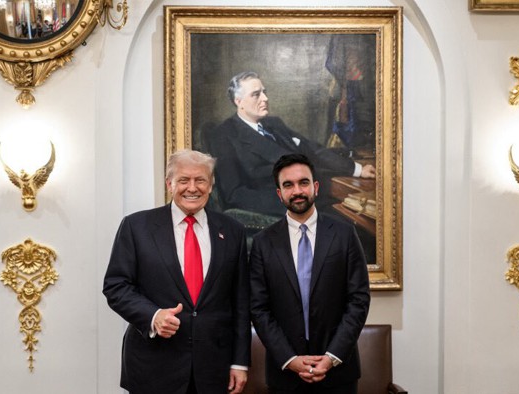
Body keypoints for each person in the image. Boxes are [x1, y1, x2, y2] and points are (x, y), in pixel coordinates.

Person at [102, 150, 250, 394]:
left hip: (214, 369)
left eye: (200, 180)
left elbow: (241, 301)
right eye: (183, 180)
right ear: (169, 184)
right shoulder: (136, 226)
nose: (192, 188)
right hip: (154, 366)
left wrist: (239, 362)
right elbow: (116, 286)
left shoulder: (232, 231)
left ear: (211, 185)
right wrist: (153, 315)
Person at [249, 153, 371, 393]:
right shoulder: (264, 243)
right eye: (288, 185)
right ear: (279, 193)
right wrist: (289, 359)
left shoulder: (344, 234)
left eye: (303, 182)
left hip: (338, 372)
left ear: (315, 187)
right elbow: (259, 308)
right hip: (285, 374)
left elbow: (358, 300)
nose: (297, 191)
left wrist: (332, 356)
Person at [205, 71, 376, 216]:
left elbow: (312, 150)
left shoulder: (274, 123)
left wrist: (357, 169)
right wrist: (295, 204)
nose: (265, 98)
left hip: (316, 196)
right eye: (256, 94)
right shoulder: (224, 135)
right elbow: (234, 194)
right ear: (238, 101)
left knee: (361, 219)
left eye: (264, 92)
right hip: (282, 210)